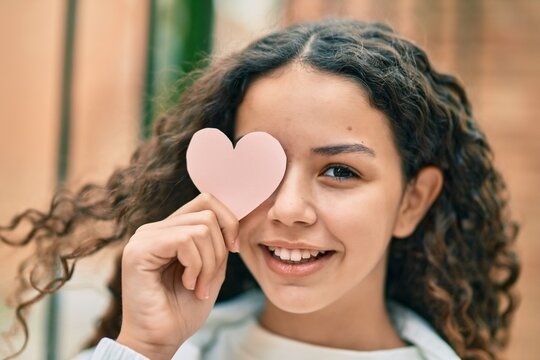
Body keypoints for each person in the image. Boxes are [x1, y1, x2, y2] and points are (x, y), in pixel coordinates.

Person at [0, 18, 520, 360]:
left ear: (412, 201)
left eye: (340, 171)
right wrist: (144, 347)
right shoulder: (163, 350)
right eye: (262, 167)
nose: (289, 209)